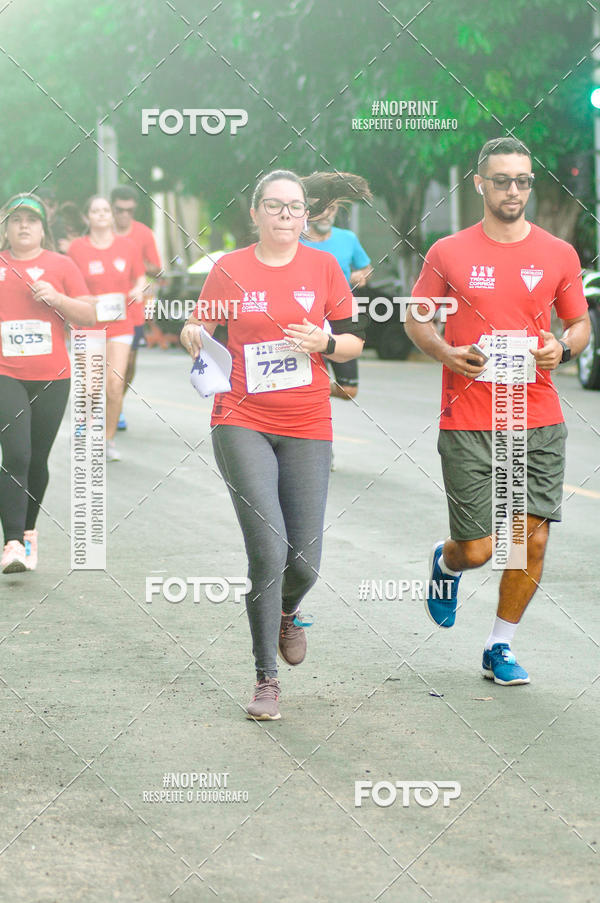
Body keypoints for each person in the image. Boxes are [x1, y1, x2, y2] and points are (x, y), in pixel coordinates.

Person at [180, 169, 365, 720]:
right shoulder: (230, 269)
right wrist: (194, 332)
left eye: (295, 207)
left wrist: (325, 341)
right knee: (269, 550)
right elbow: (199, 323)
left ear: (307, 215)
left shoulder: (325, 267)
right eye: (274, 206)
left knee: (304, 561)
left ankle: (288, 610)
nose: (286, 216)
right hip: (241, 417)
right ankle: (265, 679)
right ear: (255, 213)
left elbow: (354, 341)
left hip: (309, 422)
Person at [405, 136, 590, 686]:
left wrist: (565, 346)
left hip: (536, 417)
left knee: (528, 540)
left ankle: (498, 645)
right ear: (480, 183)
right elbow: (417, 319)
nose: (514, 190)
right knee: (481, 549)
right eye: (503, 180)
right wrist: (443, 350)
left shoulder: (559, 253)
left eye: (524, 181)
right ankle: (445, 561)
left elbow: (578, 323)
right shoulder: (448, 252)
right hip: (468, 420)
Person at [0, 194, 96, 573]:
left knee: (37, 460)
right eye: (16, 219)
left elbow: (89, 313)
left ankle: (27, 534)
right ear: (6, 227)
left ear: (43, 228)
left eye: (31, 220)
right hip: (5, 373)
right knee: (17, 455)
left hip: (53, 377)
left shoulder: (61, 265)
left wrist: (57, 298)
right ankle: (11, 543)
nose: (24, 225)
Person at [68, 196, 145, 461]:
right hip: (87, 324)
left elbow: (140, 278)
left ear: (112, 216)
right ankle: (86, 431)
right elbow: (69, 285)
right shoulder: (77, 249)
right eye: (95, 210)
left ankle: (107, 440)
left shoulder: (128, 246)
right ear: (87, 217)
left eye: (105, 210)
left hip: (120, 324)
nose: (101, 214)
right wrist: (81, 300)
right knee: (91, 387)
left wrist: (138, 289)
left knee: (114, 385)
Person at [300, 172, 373, 402]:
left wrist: (360, 275)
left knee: (348, 391)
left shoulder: (348, 238)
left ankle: (317, 386)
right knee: (296, 378)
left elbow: (367, 268)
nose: (326, 216)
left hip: (340, 316)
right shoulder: (296, 241)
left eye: (331, 211)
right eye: (322, 210)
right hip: (305, 318)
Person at [110, 185, 162, 430]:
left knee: (129, 363)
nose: (124, 216)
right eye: (119, 210)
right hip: (102, 309)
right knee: (102, 362)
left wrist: (137, 263)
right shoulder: (100, 232)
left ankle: (116, 403)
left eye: (129, 211)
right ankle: (105, 404)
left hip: (133, 309)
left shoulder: (143, 233)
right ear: (112, 208)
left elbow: (157, 269)